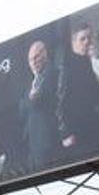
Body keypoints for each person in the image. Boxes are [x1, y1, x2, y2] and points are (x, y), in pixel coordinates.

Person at [57, 23, 99, 155]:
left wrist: (94, 61)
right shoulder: (67, 65)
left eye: (89, 38)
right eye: (82, 39)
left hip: (94, 126)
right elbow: (61, 99)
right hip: (76, 133)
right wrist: (65, 133)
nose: (87, 42)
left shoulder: (89, 62)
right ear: (73, 42)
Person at [19, 40, 60, 173]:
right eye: (31, 60)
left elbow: (41, 101)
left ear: (45, 54)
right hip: (33, 143)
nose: (34, 62)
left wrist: (32, 99)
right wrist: (30, 99)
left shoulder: (52, 73)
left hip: (48, 139)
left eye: (36, 57)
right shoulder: (32, 81)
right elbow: (22, 109)